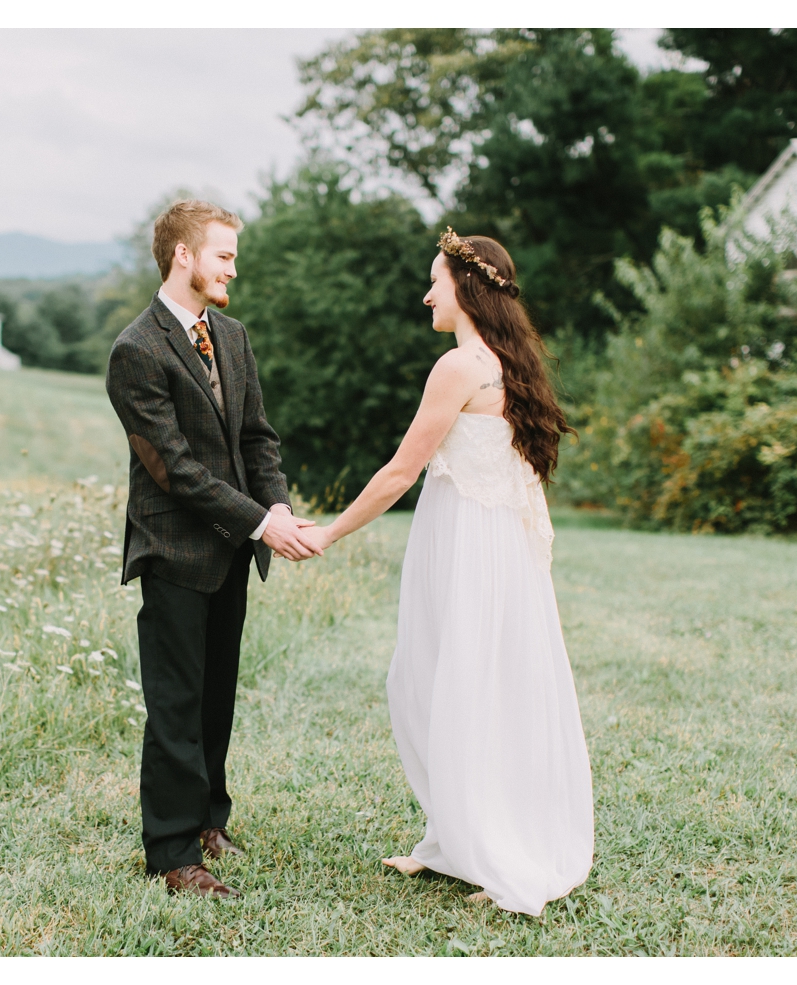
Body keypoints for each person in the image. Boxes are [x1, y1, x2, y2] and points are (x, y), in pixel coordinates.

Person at [298, 229, 594, 916]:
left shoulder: (459, 367)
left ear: (466, 288)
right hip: (493, 548)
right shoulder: (504, 362)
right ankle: (454, 840)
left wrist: (330, 531)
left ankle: (493, 849)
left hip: (470, 549)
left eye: (436, 279)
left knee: (446, 682)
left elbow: (401, 470)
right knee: (461, 682)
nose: (427, 292)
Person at [105, 200, 322, 899]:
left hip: (229, 550)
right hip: (172, 551)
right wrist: (263, 523)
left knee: (216, 698)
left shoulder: (231, 334)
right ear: (184, 257)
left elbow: (257, 438)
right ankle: (171, 853)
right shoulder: (135, 351)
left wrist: (278, 501)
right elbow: (174, 469)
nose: (233, 266)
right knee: (176, 704)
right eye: (223, 254)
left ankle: (207, 820)